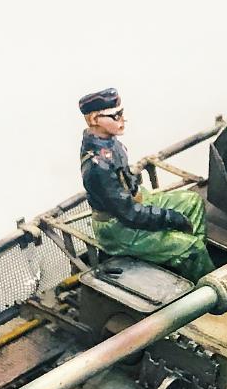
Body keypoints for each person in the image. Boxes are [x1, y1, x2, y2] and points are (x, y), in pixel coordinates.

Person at [77, 88, 214, 280]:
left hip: (135, 203)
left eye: (121, 113)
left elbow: (126, 181)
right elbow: (129, 214)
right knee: (193, 247)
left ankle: (189, 262)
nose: (122, 120)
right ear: (93, 119)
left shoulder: (110, 143)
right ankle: (197, 267)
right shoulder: (97, 166)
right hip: (118, 229)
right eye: (115, 116)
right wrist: (169, 217)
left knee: (193, 201)